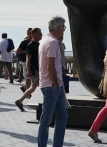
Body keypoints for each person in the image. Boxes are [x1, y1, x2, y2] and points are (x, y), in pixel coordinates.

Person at [38, 16, 68, 147]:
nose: (64, 30)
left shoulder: (45, 40)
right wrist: (56, 83)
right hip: (52, 85)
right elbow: (50, 65)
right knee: (46, 120)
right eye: (64, 28)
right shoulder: (53, 42)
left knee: (62, 115)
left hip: (54, 85)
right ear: (59, 28)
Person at [15, 27, 42, 111]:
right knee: (34, 86)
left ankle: (21, 100)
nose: (41, 35)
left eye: (41, 33)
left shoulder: (39, 44)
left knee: (35, 86)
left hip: (38, 68)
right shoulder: (31, 45)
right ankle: (20, 100)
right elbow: (28, 58)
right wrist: (28, 70)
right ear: (33, 35)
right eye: (39, 33)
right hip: (34, 69)